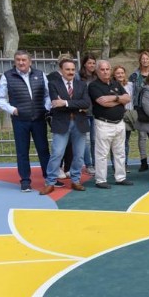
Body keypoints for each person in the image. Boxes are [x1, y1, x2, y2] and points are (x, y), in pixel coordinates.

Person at [0, 50, 51, 192]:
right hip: (20, 121)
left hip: (39, 119)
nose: (21, 62)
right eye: (18, 59)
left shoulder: (40, 74)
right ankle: (25, 181)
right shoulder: (7, 76)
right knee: (22, 151)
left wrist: (45, 107)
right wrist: (13, 110)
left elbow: (49, 94)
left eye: (24, 60)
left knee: (44, 150)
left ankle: (49, 179)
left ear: (30, 61)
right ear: (15, 61)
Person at [39, 56, 91, 194]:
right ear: (61, 70)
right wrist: (75, 105)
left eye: (73, 69)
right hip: (61, 123)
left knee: (79, 155)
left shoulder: (81, 85)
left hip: (79, 123)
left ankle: (75, 180)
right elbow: (56, 105)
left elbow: (86, 103)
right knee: (57, 153)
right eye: (67, 69)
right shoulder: (53, 84)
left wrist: (66, 103)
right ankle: (50, 182)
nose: (71, 72)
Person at [87, 60, 133, 189]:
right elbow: (103, 103)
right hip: (103, 123)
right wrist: (120, 100)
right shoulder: (93, 86)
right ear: (97, 71)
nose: (105, 71)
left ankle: (120, 177)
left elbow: (127, 98)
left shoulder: (115, 83)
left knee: (120, 152)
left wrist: (113, 98)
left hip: (119, 123)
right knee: (102, 154)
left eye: (107, 69)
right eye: (102, 69)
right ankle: (100, 180)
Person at [129, 50, 149, 172]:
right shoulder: (134, 75)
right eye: (143, 59)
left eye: (147, 58)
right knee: (142, 136)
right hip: (139, 109)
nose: (145, 60)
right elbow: (130, 91)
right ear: (140, 60)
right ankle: (143, 161)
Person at [113, 65, 137, 170]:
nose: (120, 75)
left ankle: (124, 164)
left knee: (125, 142)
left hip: (127, 116)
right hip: (115, 115)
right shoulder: (111, 85)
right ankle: (115, 166)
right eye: (118, 73)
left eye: (122, 73)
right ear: (114, 74)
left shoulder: (130, 85)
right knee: (115, 142)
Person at [78, 53, 97, 174]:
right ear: (84, 63)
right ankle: (88, 164)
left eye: (94, 63)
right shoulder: (78, 77)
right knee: (86, 140)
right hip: (83, 113)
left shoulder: (97, 77)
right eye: (89, 63)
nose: (92, 65)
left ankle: (96, 163)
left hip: (95, 113)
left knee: (95, 140)